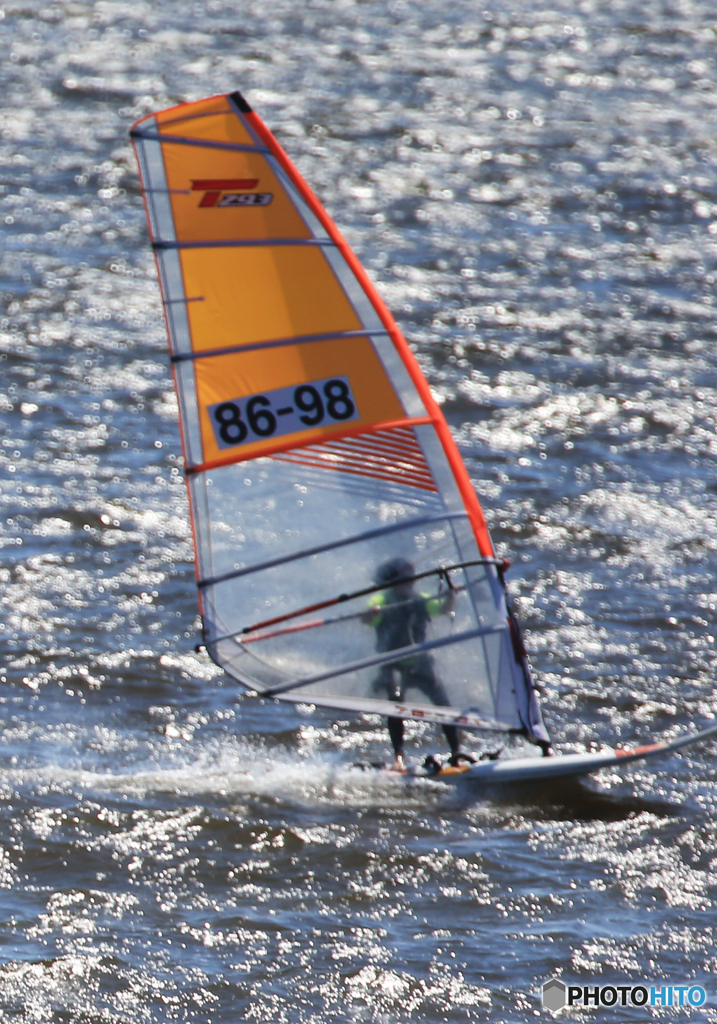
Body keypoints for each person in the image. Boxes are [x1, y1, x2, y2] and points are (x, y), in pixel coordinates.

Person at [363, 557, 474, 769]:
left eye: (410, 581)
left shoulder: (420, 599)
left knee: (443, 704)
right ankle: (399, 757)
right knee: (396, 704)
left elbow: (443, 609)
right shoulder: (380, 599)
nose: (408, 585)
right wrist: (373, 613)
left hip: (419, 662)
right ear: (392, 584)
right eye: (403, 582)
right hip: (393, 662)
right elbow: (367, 619)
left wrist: (451, 596)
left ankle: (457, 752)